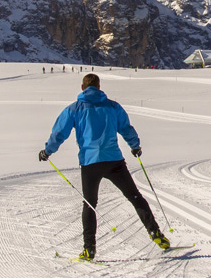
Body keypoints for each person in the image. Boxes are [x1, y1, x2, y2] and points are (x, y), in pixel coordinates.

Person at [38, 73, 169, 260]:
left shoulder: (74, 109)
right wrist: (135, 146)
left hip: (90, 163)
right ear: (99, 87)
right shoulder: (112, 106)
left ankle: (89, 249)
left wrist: (47, 151)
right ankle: (155, 232)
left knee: (90, 204)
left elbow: (60, 133)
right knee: (135, 197)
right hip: (114, 161)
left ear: (82, 87)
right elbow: (126, 128)